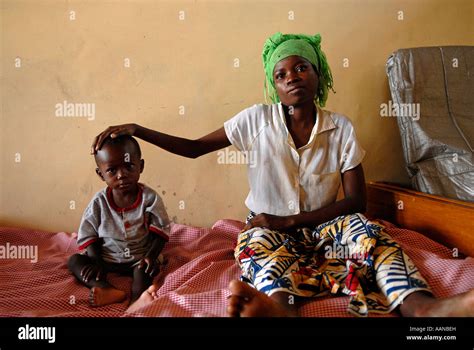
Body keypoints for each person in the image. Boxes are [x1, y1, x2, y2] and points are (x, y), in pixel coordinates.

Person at [92, 32, 474, 317]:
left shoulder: (340, 128)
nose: (292, 77)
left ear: (317, 74)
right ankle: (279, 308)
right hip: (267, 228)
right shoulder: (256, 120)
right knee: (259, 250)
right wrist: (139, 130)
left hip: (330, 227)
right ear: (274, 87)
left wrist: (292, 219)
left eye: (301, 67)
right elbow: (193, 148)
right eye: (281, 74)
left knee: (369, 234)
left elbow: (355, 201)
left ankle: (422, 308)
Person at [68, 135, 170, 307]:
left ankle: (137, 301)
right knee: (74, 261)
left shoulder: (149, 198)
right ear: (100, 174)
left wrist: (151, 256)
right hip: (106, 259)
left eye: (129, 166)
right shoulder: (99, 202)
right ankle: (106, 289)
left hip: (139, 258)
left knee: (143, 273)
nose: (122, 175)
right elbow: (88, 234)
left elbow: (161, 231)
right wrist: (97, 262)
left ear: (141, 166)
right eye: (112, 170)